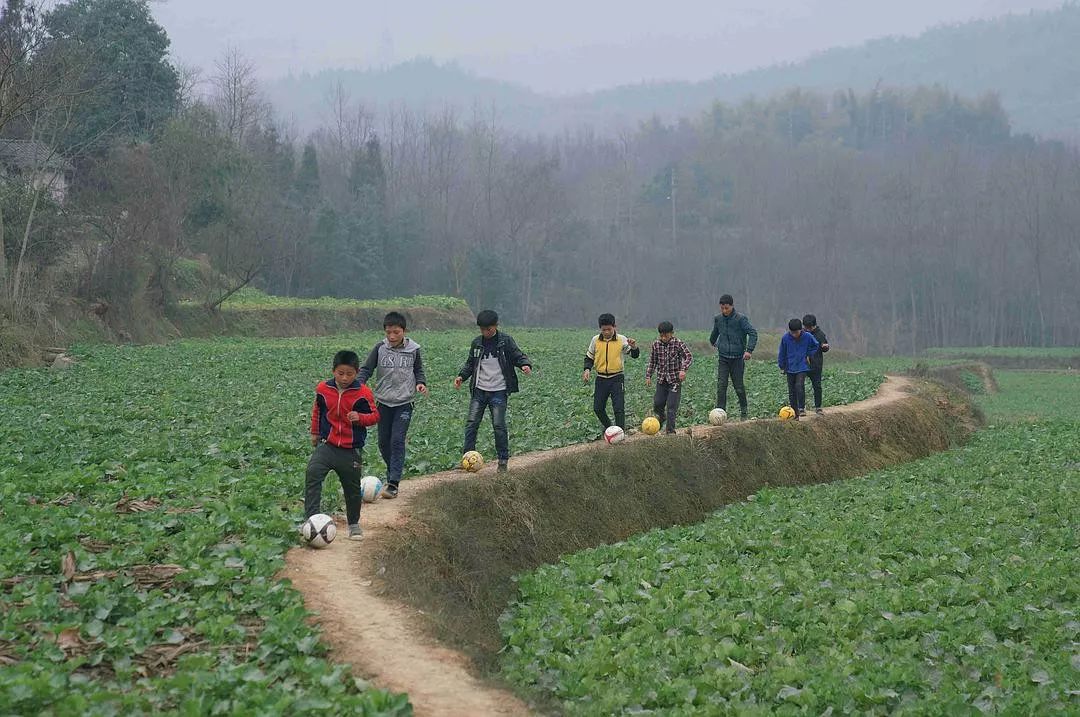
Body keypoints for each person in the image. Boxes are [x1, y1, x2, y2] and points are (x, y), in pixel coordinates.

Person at [306, 350, 379, 540]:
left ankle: (353, 524)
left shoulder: (363, 393)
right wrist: (314, 432)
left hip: (350, 449)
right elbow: (317, 410)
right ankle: (311, 520)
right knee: (313, 474)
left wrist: (360, 418)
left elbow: (375, 416)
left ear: (356, 373)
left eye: (349, 374)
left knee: (352, 488)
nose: (345, 378)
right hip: (327, 445)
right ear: (333, 371)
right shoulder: (323, 389)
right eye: (340, 373)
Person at [357, 311, 428, 499]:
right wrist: (358, 384)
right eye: (388, 332)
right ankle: (393, 473)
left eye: (396, 332)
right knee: (383, 442)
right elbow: (366, 369)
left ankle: (394, 482)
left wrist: (421, 383)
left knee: (397, 440)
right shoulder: (380, 348)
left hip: (404, 402)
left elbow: (418, 370)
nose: (392, 336)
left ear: (403, 331)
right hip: (383, 402)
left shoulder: (413, 349)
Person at [454, 309, 532, 472]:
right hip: (479, 391)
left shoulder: (505, 341)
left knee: (498, 425)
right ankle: (466, 458)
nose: (485, 332)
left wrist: (525, 364)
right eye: (482, 329)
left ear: (496, 326)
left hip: (499, 391)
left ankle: (503, 460)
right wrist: (461, 376)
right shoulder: (477, 343)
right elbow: (470, 363)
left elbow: (517, 355)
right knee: (471, 424)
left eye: (488, 329)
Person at [583, 313, 640, 436]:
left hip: (617, 378)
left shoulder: (621, 339)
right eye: (604, 330)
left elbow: (634, 355)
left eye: (609, 329)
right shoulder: (595, 340)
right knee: (598, 408)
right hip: (601, 378)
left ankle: (620, 434)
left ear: (615, 327)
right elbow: (589, 357)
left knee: (618, 408)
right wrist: (587, 369)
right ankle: (610, 429)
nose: (607, 332)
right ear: (600, 329)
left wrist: (634, 347)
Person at [708, 294, 758, 420]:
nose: (724, 311)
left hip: (737, 358)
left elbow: (752, 333)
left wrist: (749, 350)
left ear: (732, 306)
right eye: (722, 308)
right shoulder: (718, 319)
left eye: (726, 308)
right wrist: (713, 342)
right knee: (721, 385)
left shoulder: (740, 319)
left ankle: (744, 411)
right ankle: (720, 413)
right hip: (723, 357)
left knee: (739, 386)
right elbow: (715, 333)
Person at [645, 321, 693, 434]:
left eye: (666, 335)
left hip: (674, 381)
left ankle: (670, 432)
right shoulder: (656, 345)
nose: (663, 338)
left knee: (671, 407)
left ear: (672, 333)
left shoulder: (678, 343)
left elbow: (689, 357)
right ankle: (661, 418)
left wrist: (683, 369)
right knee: (657, 404)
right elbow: (653, 361)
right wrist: (648, 376)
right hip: (661, 380)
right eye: (661, 335)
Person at [777, 318, 820, 421]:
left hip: (802, 366)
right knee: (791, 391)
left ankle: (801, 408)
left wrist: (808, 354)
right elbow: (782, 352)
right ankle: (794, 413)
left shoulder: (808, 336)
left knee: (799, 385)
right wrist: (782, 365)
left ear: (801, 330)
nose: (794, 335)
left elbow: (816, 345)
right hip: (790, 367)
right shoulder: (785, 338)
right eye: (792, 332)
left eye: (796, 332)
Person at [801, 314, 830, 415]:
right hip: (803, 364)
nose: (807, 330)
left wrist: (825, 347)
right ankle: (801, 408)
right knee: (799, 385)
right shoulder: (801, 333)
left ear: (814, 325)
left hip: (816, 365)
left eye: (809, 328)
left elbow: (825, 347)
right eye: (806, 327)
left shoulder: (820, 334)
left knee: (817, 386)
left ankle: (818, 407)